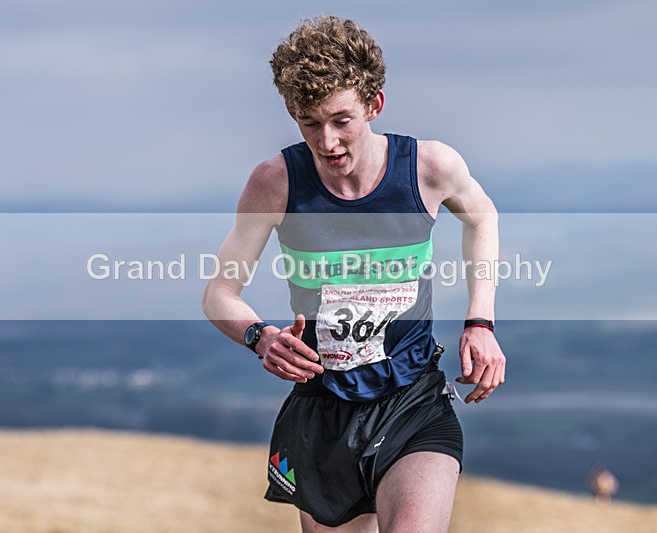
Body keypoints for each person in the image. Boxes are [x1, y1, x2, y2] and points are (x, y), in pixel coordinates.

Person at [202, 15, 506, 532]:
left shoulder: (428, 167)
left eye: (342, 120)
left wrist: (482, 322)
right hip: (324, 411)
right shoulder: (276, 183)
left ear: (374, 104)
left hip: (412, 400)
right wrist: (260, 337)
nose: (328, 141)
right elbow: (220, 293)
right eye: (309, 124)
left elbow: (482, 216)